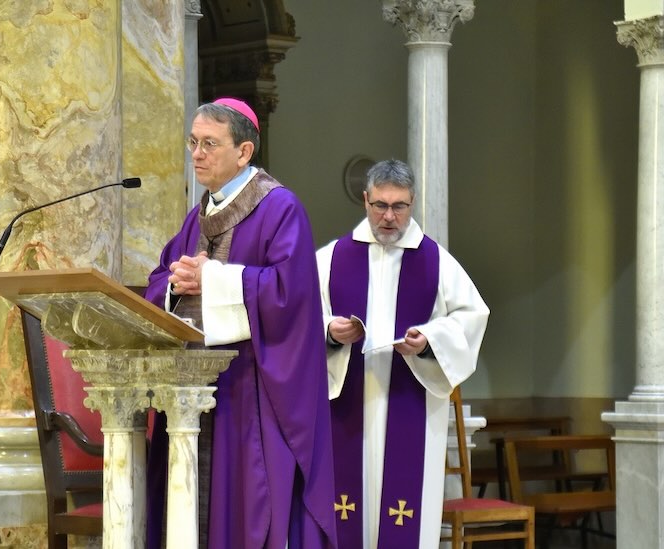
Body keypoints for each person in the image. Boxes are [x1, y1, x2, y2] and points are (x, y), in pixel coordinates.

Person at [144, 97, 337, 548]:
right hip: (194, 393)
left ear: (244, 152)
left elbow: (291, 294)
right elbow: (161, 278)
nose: (197, 153)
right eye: (193, 142)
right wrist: (176, 284)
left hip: (250, 391)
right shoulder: (199, 216)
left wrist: (212, 278)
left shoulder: (279, 207)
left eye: (210, 143)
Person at [315, 159, 489, 549]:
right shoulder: (332, 258)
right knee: (347, 510)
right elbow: (297, 316)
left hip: (410, 403)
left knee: (403, 512)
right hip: (347, 405)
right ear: (365, 200)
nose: (389, 217)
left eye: (400, 206)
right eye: (380, 205)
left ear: (413, 203)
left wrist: (428, 339)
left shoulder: (435, 260)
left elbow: (472, 316)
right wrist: (329, 330)